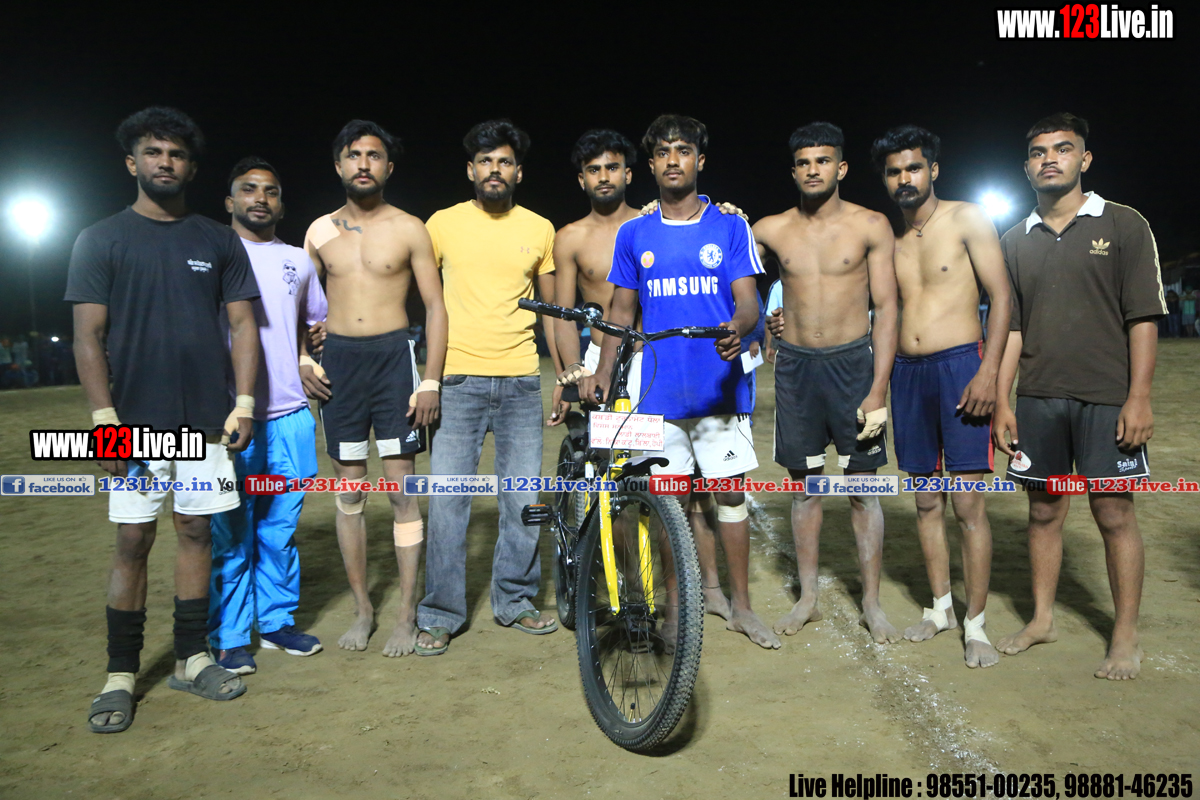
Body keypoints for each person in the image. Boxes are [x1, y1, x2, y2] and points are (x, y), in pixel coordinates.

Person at [66, 106, 259, 733]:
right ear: (132, 163)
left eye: (176, 154)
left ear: (192, 168)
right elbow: (88, 337)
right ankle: (120, 673)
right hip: (135, 425)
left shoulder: (217, 239)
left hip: (206, 421)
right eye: (153, 152)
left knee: (197, 531)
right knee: (133, 539)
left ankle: (191, 657)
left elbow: (242, 326)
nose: (165, 162)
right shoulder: (101, 239)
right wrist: (105, 420)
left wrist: (244, 402)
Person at [579, 114, 779, 649]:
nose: (673, 160)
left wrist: (738, 328)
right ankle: (677, 609)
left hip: (720, 389)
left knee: (729, 498)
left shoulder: (730, 227)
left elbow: (748, 302)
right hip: (657, 394)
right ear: (650, 164)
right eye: (664, 151)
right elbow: (621, 313)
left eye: (683, 150)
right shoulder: (634, 233)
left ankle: (742, 607)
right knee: (669, 505)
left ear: (700, 161)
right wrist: (602, 372)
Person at [993, 113, 1164, 680]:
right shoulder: (1014, 240)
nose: (1050, 159)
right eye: (1039, 152)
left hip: (1107, 397)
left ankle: (1125, 634)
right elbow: (1012, 329)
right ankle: (1042, 619)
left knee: (1113, 512)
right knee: (1043, 510)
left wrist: (1139, 398)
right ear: (1026, 168)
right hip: (1039, 397)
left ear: (1084, 159)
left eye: (1063, 149)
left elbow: (1143, 318)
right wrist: (1003, 400)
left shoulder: (1124, 224)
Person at [870, 125, 1012, 668]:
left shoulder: (967, 218)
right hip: (908, 375)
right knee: (926, 500)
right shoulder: (889, 240)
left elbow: (1002, 297)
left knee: (968, 503)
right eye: (894, 172)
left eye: (913, 167)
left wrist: (989, 373)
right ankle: (940, 608)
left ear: (933, 169)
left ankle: (976, 624)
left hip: (961, 368)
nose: (904, 178)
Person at [305, 120, 448, 657]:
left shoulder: (410, 228)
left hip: (393, 360)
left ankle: (406, 615)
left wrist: (429, 379)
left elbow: (435, 307)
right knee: (349, 492)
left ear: (388, 167)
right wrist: (303, 355)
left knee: (401, 492)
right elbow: (298, 306)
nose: (363, 163)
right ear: (338, 165)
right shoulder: (319, 231)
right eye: (353, 154)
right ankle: (363, 609)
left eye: (373, 155)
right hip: (340, 366)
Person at [416, 120, 559, 655]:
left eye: (504, 161)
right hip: (458, 381)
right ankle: (440, 612)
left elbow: (551, 310)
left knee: (521, 498)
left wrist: (563, 373)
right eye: (485, 161)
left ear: (518, 172)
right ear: (470, 170)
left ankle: (515, 599)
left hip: (521, 379)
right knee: (448, 501)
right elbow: (421, 297)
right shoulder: (441, 224)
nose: (494, 170)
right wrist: (429, 378)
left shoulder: (540, 228)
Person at [757, 122, 901, 644]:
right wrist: (768, 320)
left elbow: (887, 308)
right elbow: (733, 278)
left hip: (853, 367)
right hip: (797, 369)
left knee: (863, 491)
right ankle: (809, 599)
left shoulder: (870, 225)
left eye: (822, 161)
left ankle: (872, 603)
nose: (812, 170)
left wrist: (878, 390)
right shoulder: (769, 230)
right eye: (803, 162)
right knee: (805, 491)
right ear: (793, 170)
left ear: (840, 168)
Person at [206, 157, 329, 675]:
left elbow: (313, 323)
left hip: (290, 414)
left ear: (281, 204)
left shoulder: (298, 260)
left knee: (280, 528)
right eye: (249, 189)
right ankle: (230, 636)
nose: (260, 198)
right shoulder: (209, 253)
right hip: (230, 417)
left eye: (271, 191)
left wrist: (304, 354)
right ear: (229, 201)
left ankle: (276, 621)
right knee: (230, 530)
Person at [551, 129, 643, 417]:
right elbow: (564, 315)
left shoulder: (651, 224)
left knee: (658, 446)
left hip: (650, 357)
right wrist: (573, 368)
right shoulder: (569, 238)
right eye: (593, 170)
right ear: (582, 180)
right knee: (606, 447)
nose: (603, 177)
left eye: (612, 168)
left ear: (627, 174)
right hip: (596, 359)